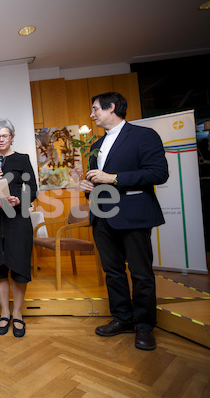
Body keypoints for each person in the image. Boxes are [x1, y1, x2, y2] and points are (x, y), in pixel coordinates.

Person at [79, 92, 169, 351]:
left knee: (141, 273)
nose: (92, 114)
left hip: (133, 213)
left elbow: (158, 173)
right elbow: (98, 180)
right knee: (113, 272)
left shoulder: (143, 136)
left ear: (112, 108)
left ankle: (144, 325)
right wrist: (89, 186)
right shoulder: (96, 144)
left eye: (95, 109)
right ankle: (122, 318)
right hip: (102, 216)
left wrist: (114, 178)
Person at [0, 118, 37, 337]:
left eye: (4, 135)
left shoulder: (22, 159)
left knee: (19, 266)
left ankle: (18, 313)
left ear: (12, 137)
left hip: (17, 218)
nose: (0, 139)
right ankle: (4, 313)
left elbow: (32, 188)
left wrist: (20, 200)